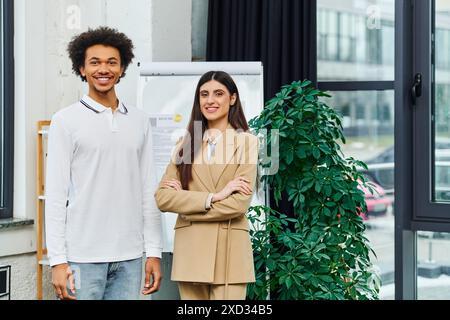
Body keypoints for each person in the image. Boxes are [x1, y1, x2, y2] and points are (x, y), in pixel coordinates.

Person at [45, 26, 162, 300]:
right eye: (94, 62)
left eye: (112, 62)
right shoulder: (65, 121)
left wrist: (154, 252)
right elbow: (55, 196)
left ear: (122, 69)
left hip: (130, 258)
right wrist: (58, 260)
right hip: (81, 258)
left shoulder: (140, 121)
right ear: (82, 69)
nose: (103, 69)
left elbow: (148, 190)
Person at [154, 71, 258, 300]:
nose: (210, 100)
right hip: (191, 251)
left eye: (218, 93)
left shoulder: (247, 142)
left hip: (230, 249)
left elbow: (238, 205)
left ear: (232, 98)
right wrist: (214, 196)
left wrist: (188, 208)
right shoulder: (185, 144)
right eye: (204, 94)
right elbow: (162, 198)